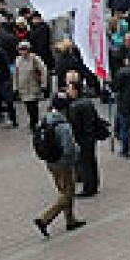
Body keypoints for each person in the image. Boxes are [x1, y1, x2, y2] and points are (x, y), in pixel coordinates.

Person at [34, 94, 84, 237]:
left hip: (50, 162)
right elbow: (69, 148)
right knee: (68, 193)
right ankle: (45, 218)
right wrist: (77, 153)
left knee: (63, 190)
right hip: (64, 163)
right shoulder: (63, 125)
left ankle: (70, 220)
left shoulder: (44, 120)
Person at [64, 76, 104, 197]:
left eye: (69, 89)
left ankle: (88, 188)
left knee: (84, 163)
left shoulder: (75, 106)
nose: (67, 91)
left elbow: (74, 125)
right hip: (91, 136)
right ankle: (94, 184)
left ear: (76, 90)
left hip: (82, 138)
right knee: (91, 161)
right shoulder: (87, 102)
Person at [13, 41, 48, 133]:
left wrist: (44, 84)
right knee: (28, 106)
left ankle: (34, 123)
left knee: (33, 107)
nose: (22, 52)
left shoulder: (35, 59)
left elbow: (43, 70)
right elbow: (15, 74)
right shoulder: (18, 60)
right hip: (23, 88)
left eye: (24, 49)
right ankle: (33, 121)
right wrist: (15, 87)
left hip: (33, 86)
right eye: (21, 50)